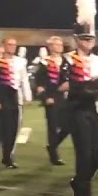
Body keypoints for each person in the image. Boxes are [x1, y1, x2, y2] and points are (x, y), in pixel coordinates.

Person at [65, 0, 98, 196]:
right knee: (84, 153)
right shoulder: (68, 60)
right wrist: (89, 89)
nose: (88, 42)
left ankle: (79, 181)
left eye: (91, 38)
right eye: (84, 38)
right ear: (76, 39)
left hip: (95, 108)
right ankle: (85, 193)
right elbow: (68, 86)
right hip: (76, 109)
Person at [0, 37, 29, 169]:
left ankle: (8, 155)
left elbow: (24, 80)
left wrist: (27, 96)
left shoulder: (21, 62)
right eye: (9, 44)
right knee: (6, 129)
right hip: (2, 96)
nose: (12, 47)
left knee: (14, 128)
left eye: (14, 45)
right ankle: (7, 156)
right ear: (3, 46)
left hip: (15, 96)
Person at [32, 36, 70, 165]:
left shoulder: (67, 61)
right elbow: (39, 83)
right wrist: (45, 98)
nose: (60, 46)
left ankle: (52, 145)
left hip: (65, 98)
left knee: (68, 126)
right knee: (53, 127)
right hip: (51, 98)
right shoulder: (44, 63)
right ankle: (54, 155)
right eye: (57, 44)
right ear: (51, 47)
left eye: (61, 44)